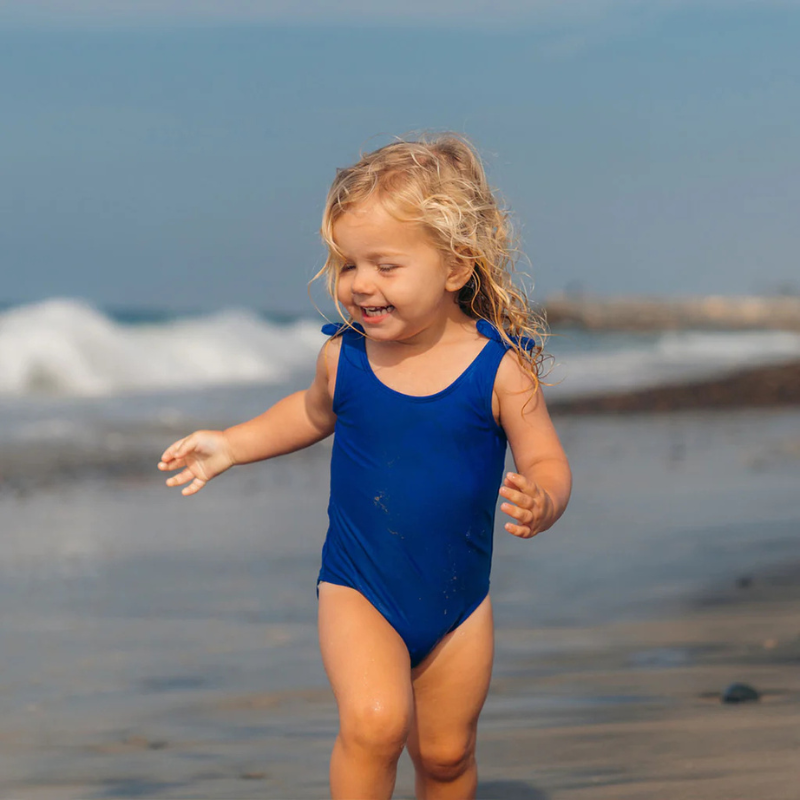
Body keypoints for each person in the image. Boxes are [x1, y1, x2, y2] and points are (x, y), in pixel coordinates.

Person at [158, 134, 572, 799]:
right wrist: (232, 444)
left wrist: (545, 497)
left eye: (385, 265)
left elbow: (545, 456)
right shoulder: (344, 358)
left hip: (459, 602)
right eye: (348, 265)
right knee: (375, 724)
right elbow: (309, 414)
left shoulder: (499, 368)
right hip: (358, 587)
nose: (360, 285)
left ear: (455, 267)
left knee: (445, 753)